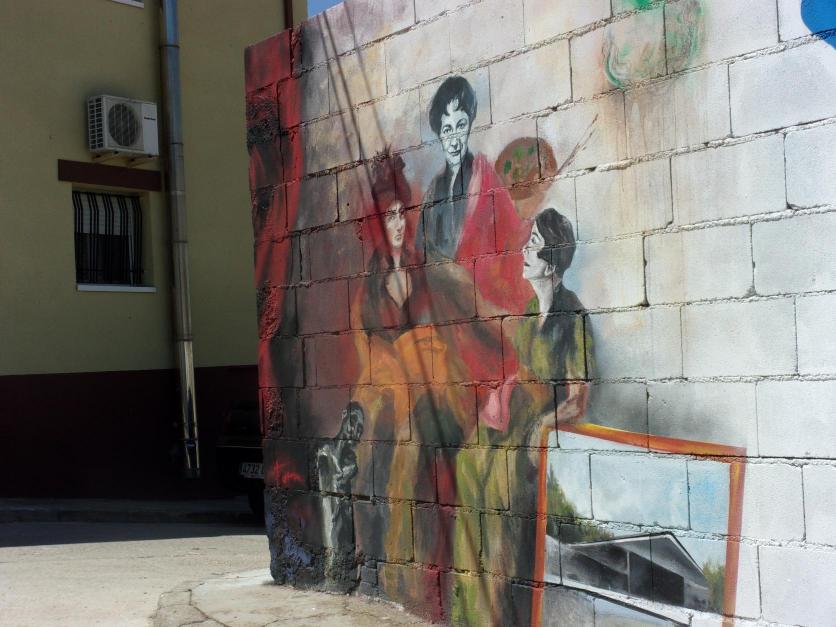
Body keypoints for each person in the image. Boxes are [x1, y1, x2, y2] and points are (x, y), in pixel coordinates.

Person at [416, 76, 532, 315]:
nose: (454, 141)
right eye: (447, 130)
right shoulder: (434, 190)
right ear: (439, 133)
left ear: (469, 125)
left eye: (461, 126)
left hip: (481, 305)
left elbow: (512, 243)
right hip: (442, 306)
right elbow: (420, 249)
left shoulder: (486, 181)